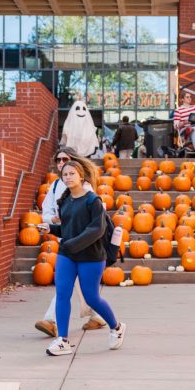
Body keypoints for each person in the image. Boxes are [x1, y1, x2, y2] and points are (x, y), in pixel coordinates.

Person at [42, 154, 127, 356]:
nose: (68, 177)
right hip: (67, 254)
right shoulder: (64, 201)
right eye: (65, 175)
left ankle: (116, 327)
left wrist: (71, 244)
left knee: (91, 298)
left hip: (91, 256)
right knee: (62, 293)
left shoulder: (93, 200)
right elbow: (67, 229)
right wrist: (50, 229)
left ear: (81, 176)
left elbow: (96, 230)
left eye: (72, 174)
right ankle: (62, 340)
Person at [34, 147, 107, 337]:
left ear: (73, 160)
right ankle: (97, 315)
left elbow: (91, 217)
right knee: (71, 284)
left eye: (64, 159)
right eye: (58, 160)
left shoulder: (86, 188)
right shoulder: (57, 185)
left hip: (83, 241)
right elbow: (47, 209)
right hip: (65, 237)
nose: (60, 163)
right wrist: (52, 221)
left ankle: (51, 320)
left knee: (69, 285)